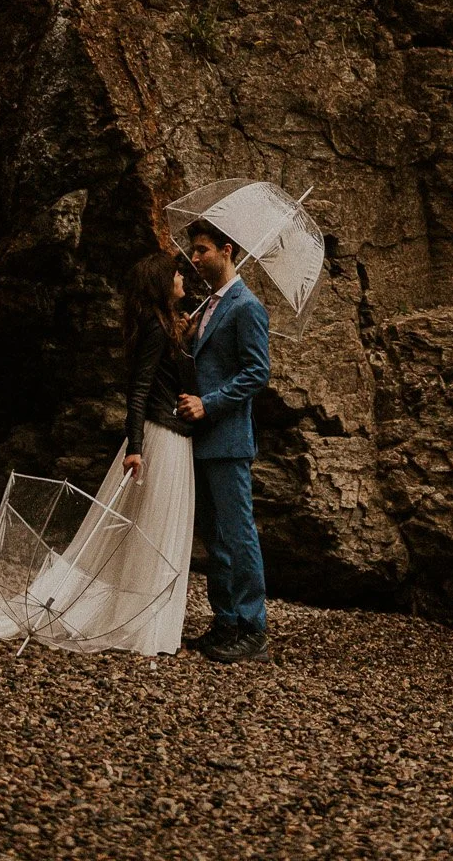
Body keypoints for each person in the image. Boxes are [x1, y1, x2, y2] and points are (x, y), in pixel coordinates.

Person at [0, 251, 197, 655]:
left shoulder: (164, 326)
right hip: (161, 436)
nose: (183, 276)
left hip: (167, 433)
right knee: (154, 525)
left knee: (151, 525)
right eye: (176, 272)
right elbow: (139, 389)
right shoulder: (158, 329)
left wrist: (185, 336)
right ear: (161, 283)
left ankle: (144, 621)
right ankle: (145, 628)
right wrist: (137, 447)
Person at [178, 219, 272, 664]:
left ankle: (253, 629)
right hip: (203, 439)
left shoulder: (246, 306)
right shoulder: (209, 307)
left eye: (201, 250)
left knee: (238, 535)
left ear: (227, 249)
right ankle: (225, 621)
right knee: (215, 538)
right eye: (193, 252)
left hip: (229, 438)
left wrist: (208, 404)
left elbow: (257, 373)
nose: (194, 259)